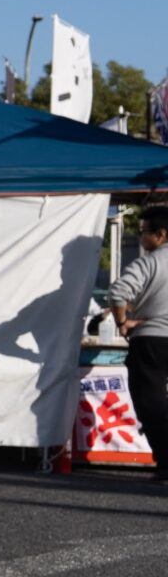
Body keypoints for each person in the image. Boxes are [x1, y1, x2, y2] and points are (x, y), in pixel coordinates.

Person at [104, 203, 168, 484]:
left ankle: (166, 463)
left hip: (151, 340)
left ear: (161, 234)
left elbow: (119, 292)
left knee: (151, 403)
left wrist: (122, 321)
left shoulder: (149, 262)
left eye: (144, 232)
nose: (141, 238)